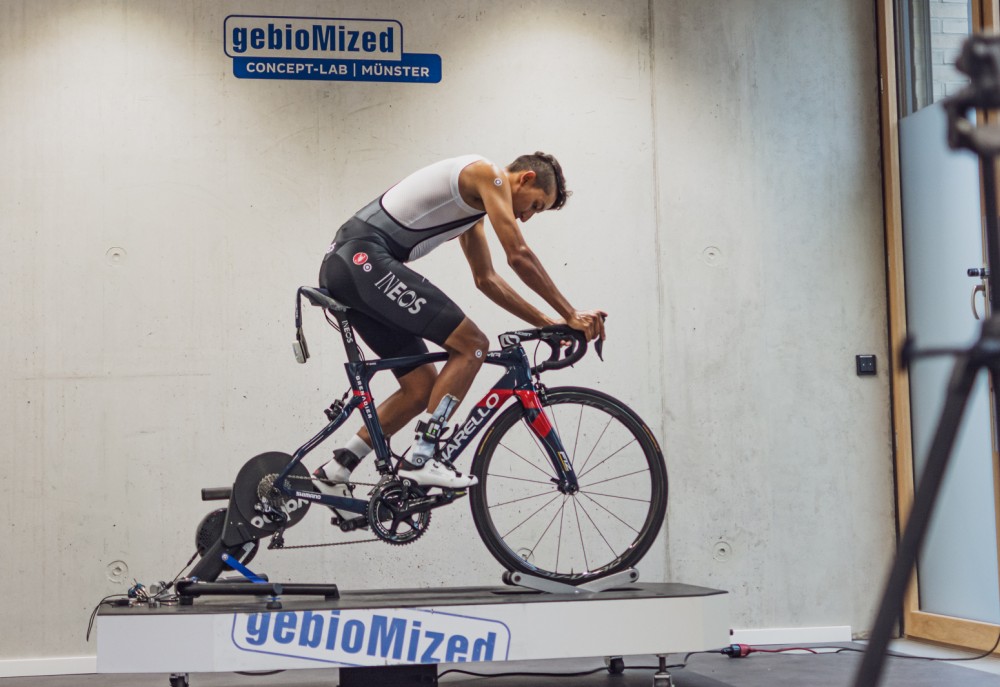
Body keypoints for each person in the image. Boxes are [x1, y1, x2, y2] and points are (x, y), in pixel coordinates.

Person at [313, 152, 606, 502]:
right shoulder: (487, 174)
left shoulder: (473, 213)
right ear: (525, 178)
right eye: (535, 206)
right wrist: (571, 312)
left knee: (421, 388)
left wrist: (548, 323)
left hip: (352, 268)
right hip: (362, 259)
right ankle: (423, 455)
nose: (526, 217)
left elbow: (487, 280)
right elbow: (518, 255)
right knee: (473, 345)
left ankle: (337, 469)